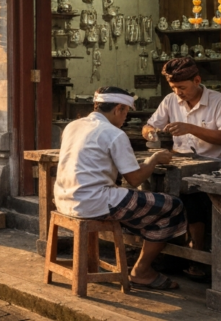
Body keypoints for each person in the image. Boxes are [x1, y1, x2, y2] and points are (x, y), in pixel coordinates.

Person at [54, 86, 187, 290]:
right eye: (126, 112)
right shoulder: (114, 133)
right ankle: (142, 271)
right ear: (118, 109)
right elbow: (134, 179)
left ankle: (139, 252)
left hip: (64, 199)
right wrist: (153, 160)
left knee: (139, 202)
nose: (125, 118)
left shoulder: (73, 126)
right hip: (93, 202)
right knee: (172, 206)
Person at [143, 57, 221, 275]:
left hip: (211, 165)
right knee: (154, 193)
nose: (178, 92)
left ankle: (197, 255)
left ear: (197, 80)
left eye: (182, 87)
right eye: (173, 87)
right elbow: (148, 126)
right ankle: (165, 254)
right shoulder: (170, 100)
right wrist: (152, 133)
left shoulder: (218, 101)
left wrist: (191, 128)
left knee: (192, 199)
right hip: (179, 161)